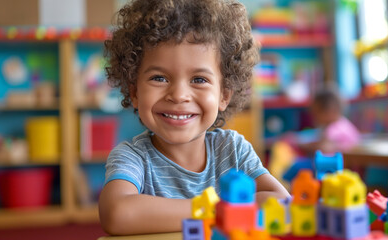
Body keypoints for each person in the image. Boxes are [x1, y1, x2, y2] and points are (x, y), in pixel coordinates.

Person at [98, 0, 290, 235]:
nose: (179, 95)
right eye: (159, 78)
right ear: (135, 92)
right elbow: (117, 214)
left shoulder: (233, 150)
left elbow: (281, 202)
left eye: (199, 79)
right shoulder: (133, 157)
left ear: (224, 95)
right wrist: (218, 211)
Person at [298, 88, 360, 155]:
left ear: (329, 112)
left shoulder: (333, 129)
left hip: (341, 163)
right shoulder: (343, 123)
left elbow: (324, 148)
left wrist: (303, 146)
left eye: (316, 112)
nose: (313, 116)